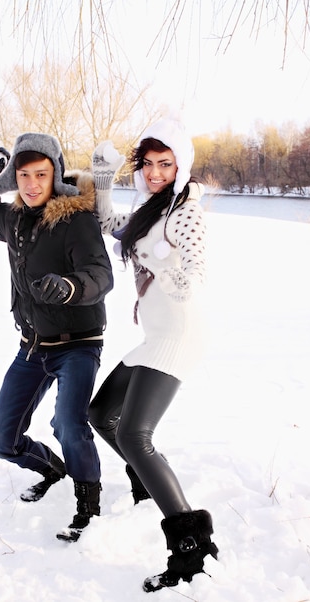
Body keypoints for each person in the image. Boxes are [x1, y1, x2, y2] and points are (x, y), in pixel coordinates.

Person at [89, 120, 218, 591]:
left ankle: (193, 552)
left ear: (180, 167)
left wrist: (170, 271)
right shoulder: (149, 209)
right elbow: (110, 225)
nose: (156, 172)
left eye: (167, 164)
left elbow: (195, 273)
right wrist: (104, 181)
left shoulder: (184, 212)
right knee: (101, 413)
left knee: (134, 432)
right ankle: (147, 481)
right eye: (148, 165)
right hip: (156, 334)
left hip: (180, 333)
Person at [0, 132, 114, 542]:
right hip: (32, 346)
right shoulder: (14, 218)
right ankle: (52, 468)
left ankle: (89, 504)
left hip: (78, 344)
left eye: (41, 174)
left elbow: (101, 274)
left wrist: (70, 287)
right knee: (1, 439)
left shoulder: (76, 220)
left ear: (56, 175)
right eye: (23, 174)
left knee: (69, 423)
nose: (32, 184)